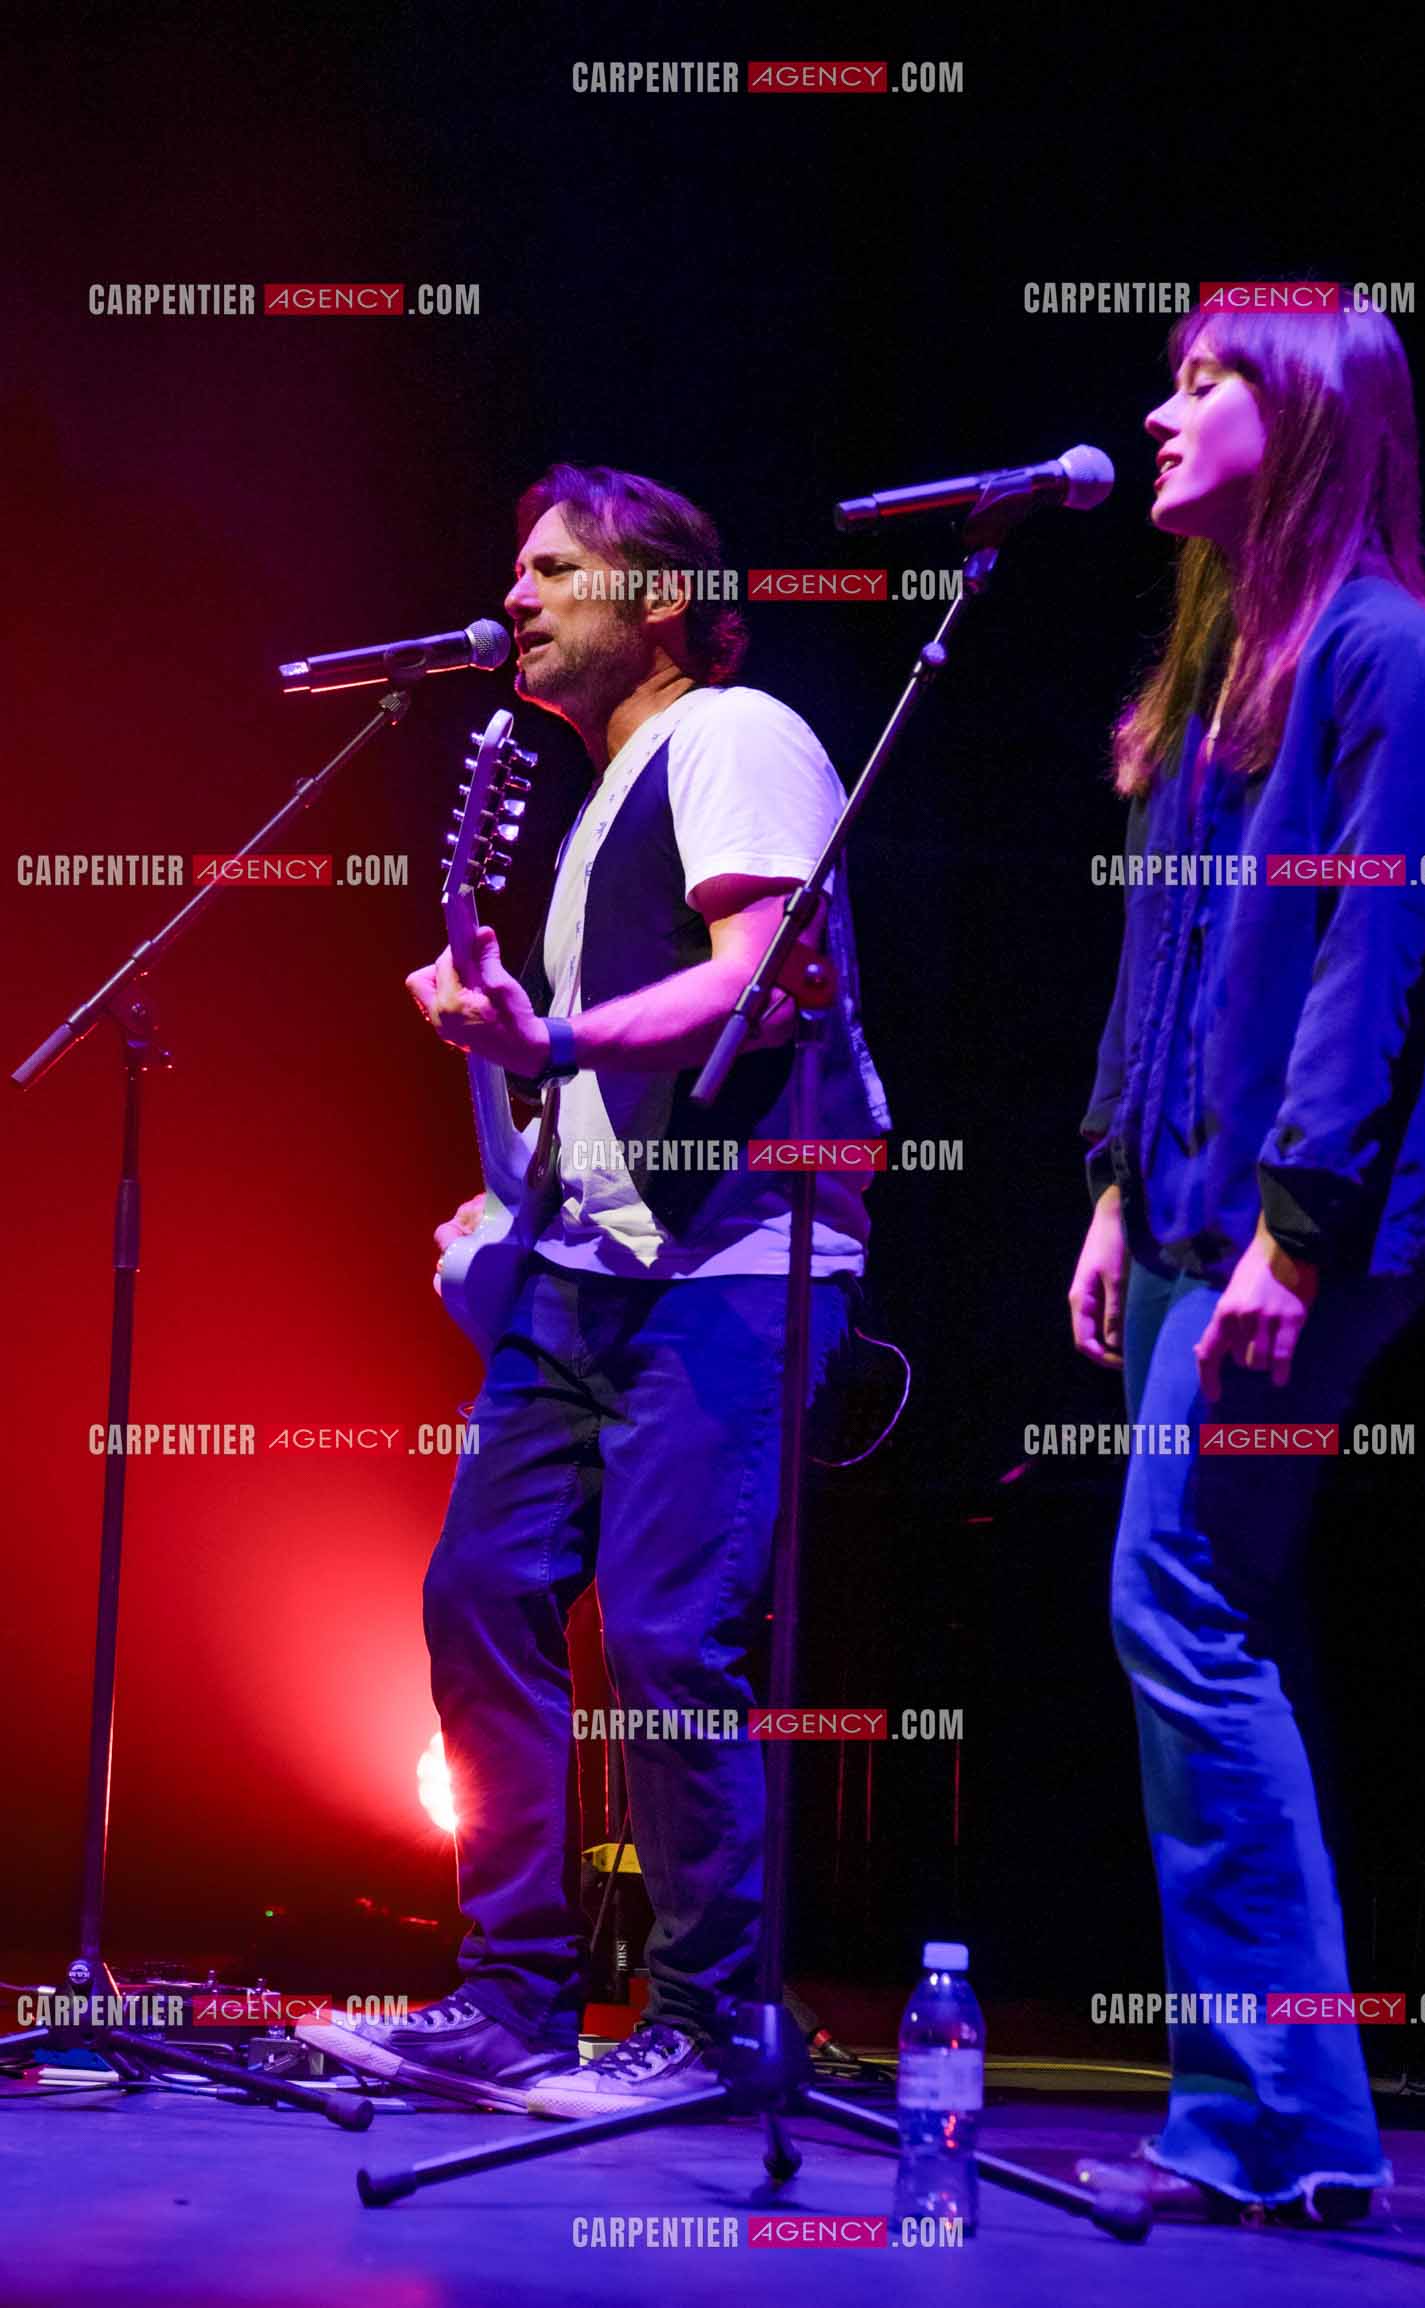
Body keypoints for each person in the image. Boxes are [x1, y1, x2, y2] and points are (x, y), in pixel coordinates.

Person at [300, 464, 887, 2117]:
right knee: (477, 1591)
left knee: (666, 1630)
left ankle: (705, 2025)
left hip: (735, 1262)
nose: (521, 596)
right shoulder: (598, 801)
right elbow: (595, 1079)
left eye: (558, 569)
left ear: (657, 602)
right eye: (519, 569)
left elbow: (759, 983)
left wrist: (544, 1033)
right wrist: (513, 1129)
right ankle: (508, 1997)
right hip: (589, 1269)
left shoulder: (732, 734)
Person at [1069, 302, 1425, 2224]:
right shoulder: (1228, 648)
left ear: (1307, 411)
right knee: (1214, 1617)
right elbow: (1161, 956)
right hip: (1179, 1208)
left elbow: (1369, 972)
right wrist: (1107, 1186)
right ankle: (1270, 2115)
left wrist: (1293, 1242)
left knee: (1178, 1604)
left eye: (1206, 380)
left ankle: (1290, 2119)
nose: (1161, 413)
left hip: (1288, 1229)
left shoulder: (1389, 659)